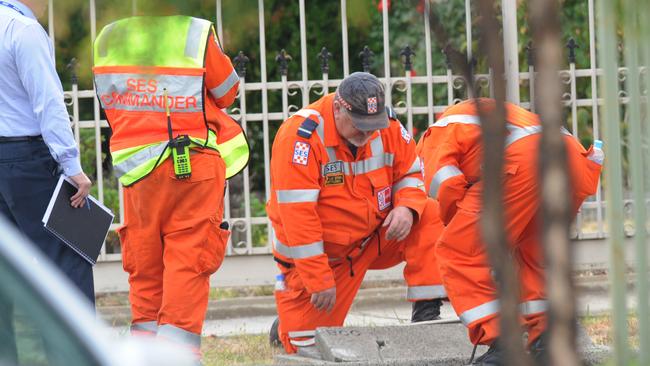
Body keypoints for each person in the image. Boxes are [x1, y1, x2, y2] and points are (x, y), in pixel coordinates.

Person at [92, 15, 249, 358]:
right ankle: (174, 357)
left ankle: (144, 355)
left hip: (137, 172)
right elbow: (227, 93)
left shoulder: (108, 36)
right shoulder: (193, 32)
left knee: (146, 263)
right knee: (188, 260)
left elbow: (108, 101)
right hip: (192, 165)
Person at [267, 72, 446, 354]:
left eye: (372, 126)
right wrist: (318, 279)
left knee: (430, 213)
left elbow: (411, 171)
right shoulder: (300, 138)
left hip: (373, 239)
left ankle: (427, 315)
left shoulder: (385, 124)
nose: (366, 134)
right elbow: (297, 218)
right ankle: (284, 328)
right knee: (308, 348)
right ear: (338, 108)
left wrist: (407, 207)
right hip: (326, 259)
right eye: (359, 125)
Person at [416, 99, 602, 365]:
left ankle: (502, 341)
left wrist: (461, 226)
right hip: (573, 159)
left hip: (524, 161)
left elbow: (445, 185)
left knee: (459, 252)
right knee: (533, 252)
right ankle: (545, 338)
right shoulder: (501, 117)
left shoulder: (435, 133)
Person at [0, 0, 94, 362]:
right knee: (67, 257)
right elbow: (48, 102)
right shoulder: (23, 30)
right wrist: (72, 166)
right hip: (28, 159)